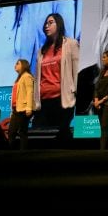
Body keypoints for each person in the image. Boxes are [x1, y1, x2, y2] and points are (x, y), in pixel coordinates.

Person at [32, 13, 80, 145]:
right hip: (43, 101)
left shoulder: (71, 44)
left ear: (59, 24)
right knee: (39, 138)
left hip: (62, 99)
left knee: (60, 138)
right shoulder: (41, 50)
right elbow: (37, 78)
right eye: (46, 24)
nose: (46, 26)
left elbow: (76, 71)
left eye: (50, 22)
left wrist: (75, 92)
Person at [8, 58, 35, 150]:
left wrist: (29, 107)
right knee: (11, 132)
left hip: (24, 109)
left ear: (23, 65)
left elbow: (30, 92)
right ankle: (10, 153)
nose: (15, 65)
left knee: (22, 132)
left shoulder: (27, 76)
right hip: (16, 109)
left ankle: (23, 153)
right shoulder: (19, 79)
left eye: (17, 63)